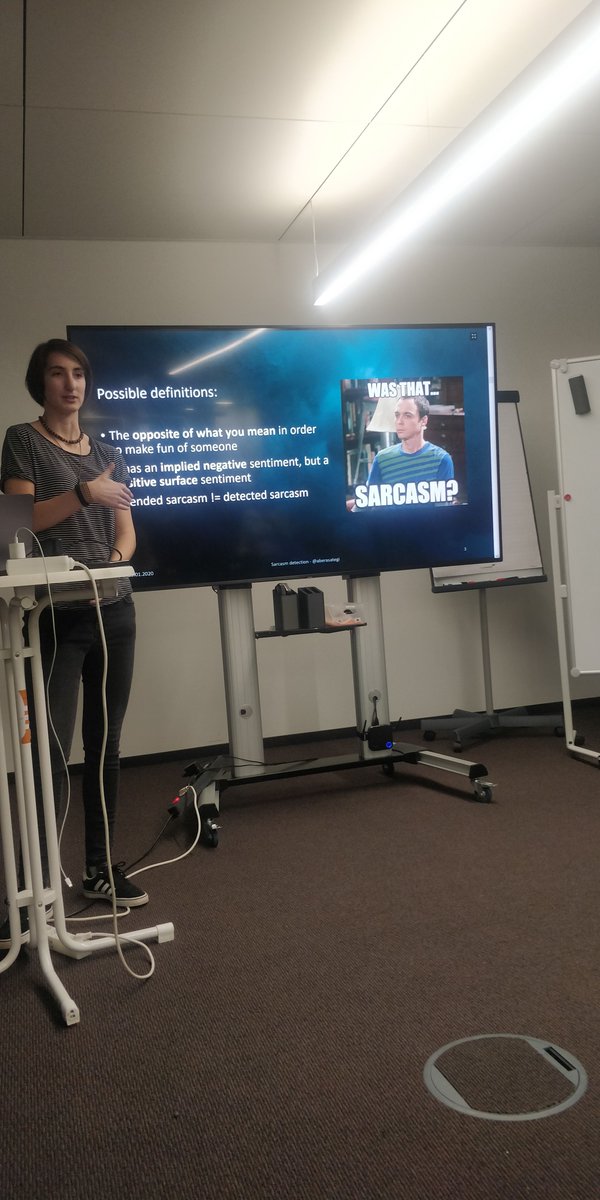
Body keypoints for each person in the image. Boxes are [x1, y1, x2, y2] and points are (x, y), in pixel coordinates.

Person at [0, 338, 147, 947]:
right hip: (55, 616)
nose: (71, 383)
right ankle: (34, 887)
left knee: (106, 746)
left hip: (115, 610)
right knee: (52, 755)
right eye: (58, 374)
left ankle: (98, 868)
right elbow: (15, 525)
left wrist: (109, 567)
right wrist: (86, 493)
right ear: (41, 383)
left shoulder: (108, 452)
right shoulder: (22, 440)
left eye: (79, 373)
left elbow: (127, 532)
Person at [366, 396, 454, 487]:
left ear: (423, 421)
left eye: (407, 416)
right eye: (397, 415)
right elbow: (370, 495)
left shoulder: (441, 459)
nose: (399, 422)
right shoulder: (382, 459)